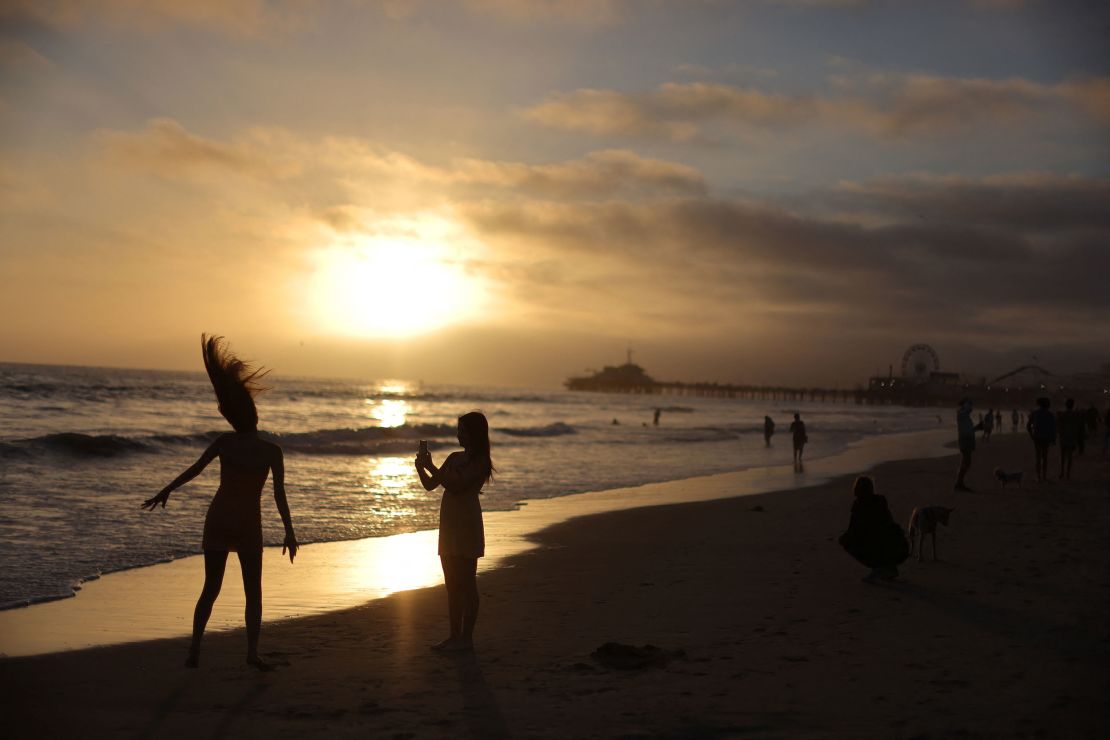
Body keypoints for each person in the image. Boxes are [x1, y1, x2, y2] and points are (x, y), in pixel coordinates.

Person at [141, 335, 297, 671]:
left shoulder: (224, 442)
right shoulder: (272, 451)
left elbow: (194, 471)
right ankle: (252, 653)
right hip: (248, 524)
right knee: (252, 592)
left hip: (219, 518)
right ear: (253, 415)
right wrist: (289, 531)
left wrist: (167, 489)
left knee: (210, 588)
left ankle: (195, 650)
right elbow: (278, 495)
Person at [415, 411, 493, 652]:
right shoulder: (453, 457)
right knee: (451, 584)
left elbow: (457, 485)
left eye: (462, 430)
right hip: (449, 524)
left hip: (467, 523)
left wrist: (431, 466)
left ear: (474, 433)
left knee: (467, 583)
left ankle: (466, 639)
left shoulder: (480, 462)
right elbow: (431, 486)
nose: (458, 435)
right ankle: (454, 636)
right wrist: (421, 469)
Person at [837, 476, 909, 583]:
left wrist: (843, 539)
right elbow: (890, 522)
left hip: (883, 547)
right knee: (878, 536)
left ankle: (877, 567)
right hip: (901, 547)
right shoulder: (880, 501)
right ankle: (890, 567)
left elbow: (852, 529)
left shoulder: (859, 505)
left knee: (847, 540)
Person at [1026, 397, 1056, 484]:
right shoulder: (1050, 415)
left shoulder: (1035, 413)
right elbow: (1053, 428)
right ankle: (1044, 476)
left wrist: (1032, 436)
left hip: (1037, 437)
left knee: (1038, 457)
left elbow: (1028, 426)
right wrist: (1053, 439)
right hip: (1046, 438)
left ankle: (1038, 476)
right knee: (1045, 457)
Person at [954, 398, 981, 491]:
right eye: (969, 404)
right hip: (965, 440)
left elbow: (969, 429)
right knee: (966, 461)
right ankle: (959, 483)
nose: (971, 406)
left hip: (968, 440)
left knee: (965, 462)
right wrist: (967, 404)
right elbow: (968, 409)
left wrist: (978, 427)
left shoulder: (964, 416)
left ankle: (959, 482)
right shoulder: (961, 414)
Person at [1057, 398, 1081, 479]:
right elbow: (1078, 427)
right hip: (1072, 437)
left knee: (1063, 456)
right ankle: (1068, 473)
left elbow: (1059, 426)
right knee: (1070, 456)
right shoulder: (1075, 415)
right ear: (1073, 405)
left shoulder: (1062, 414)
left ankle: (1062, 472)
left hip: (1063, 437)